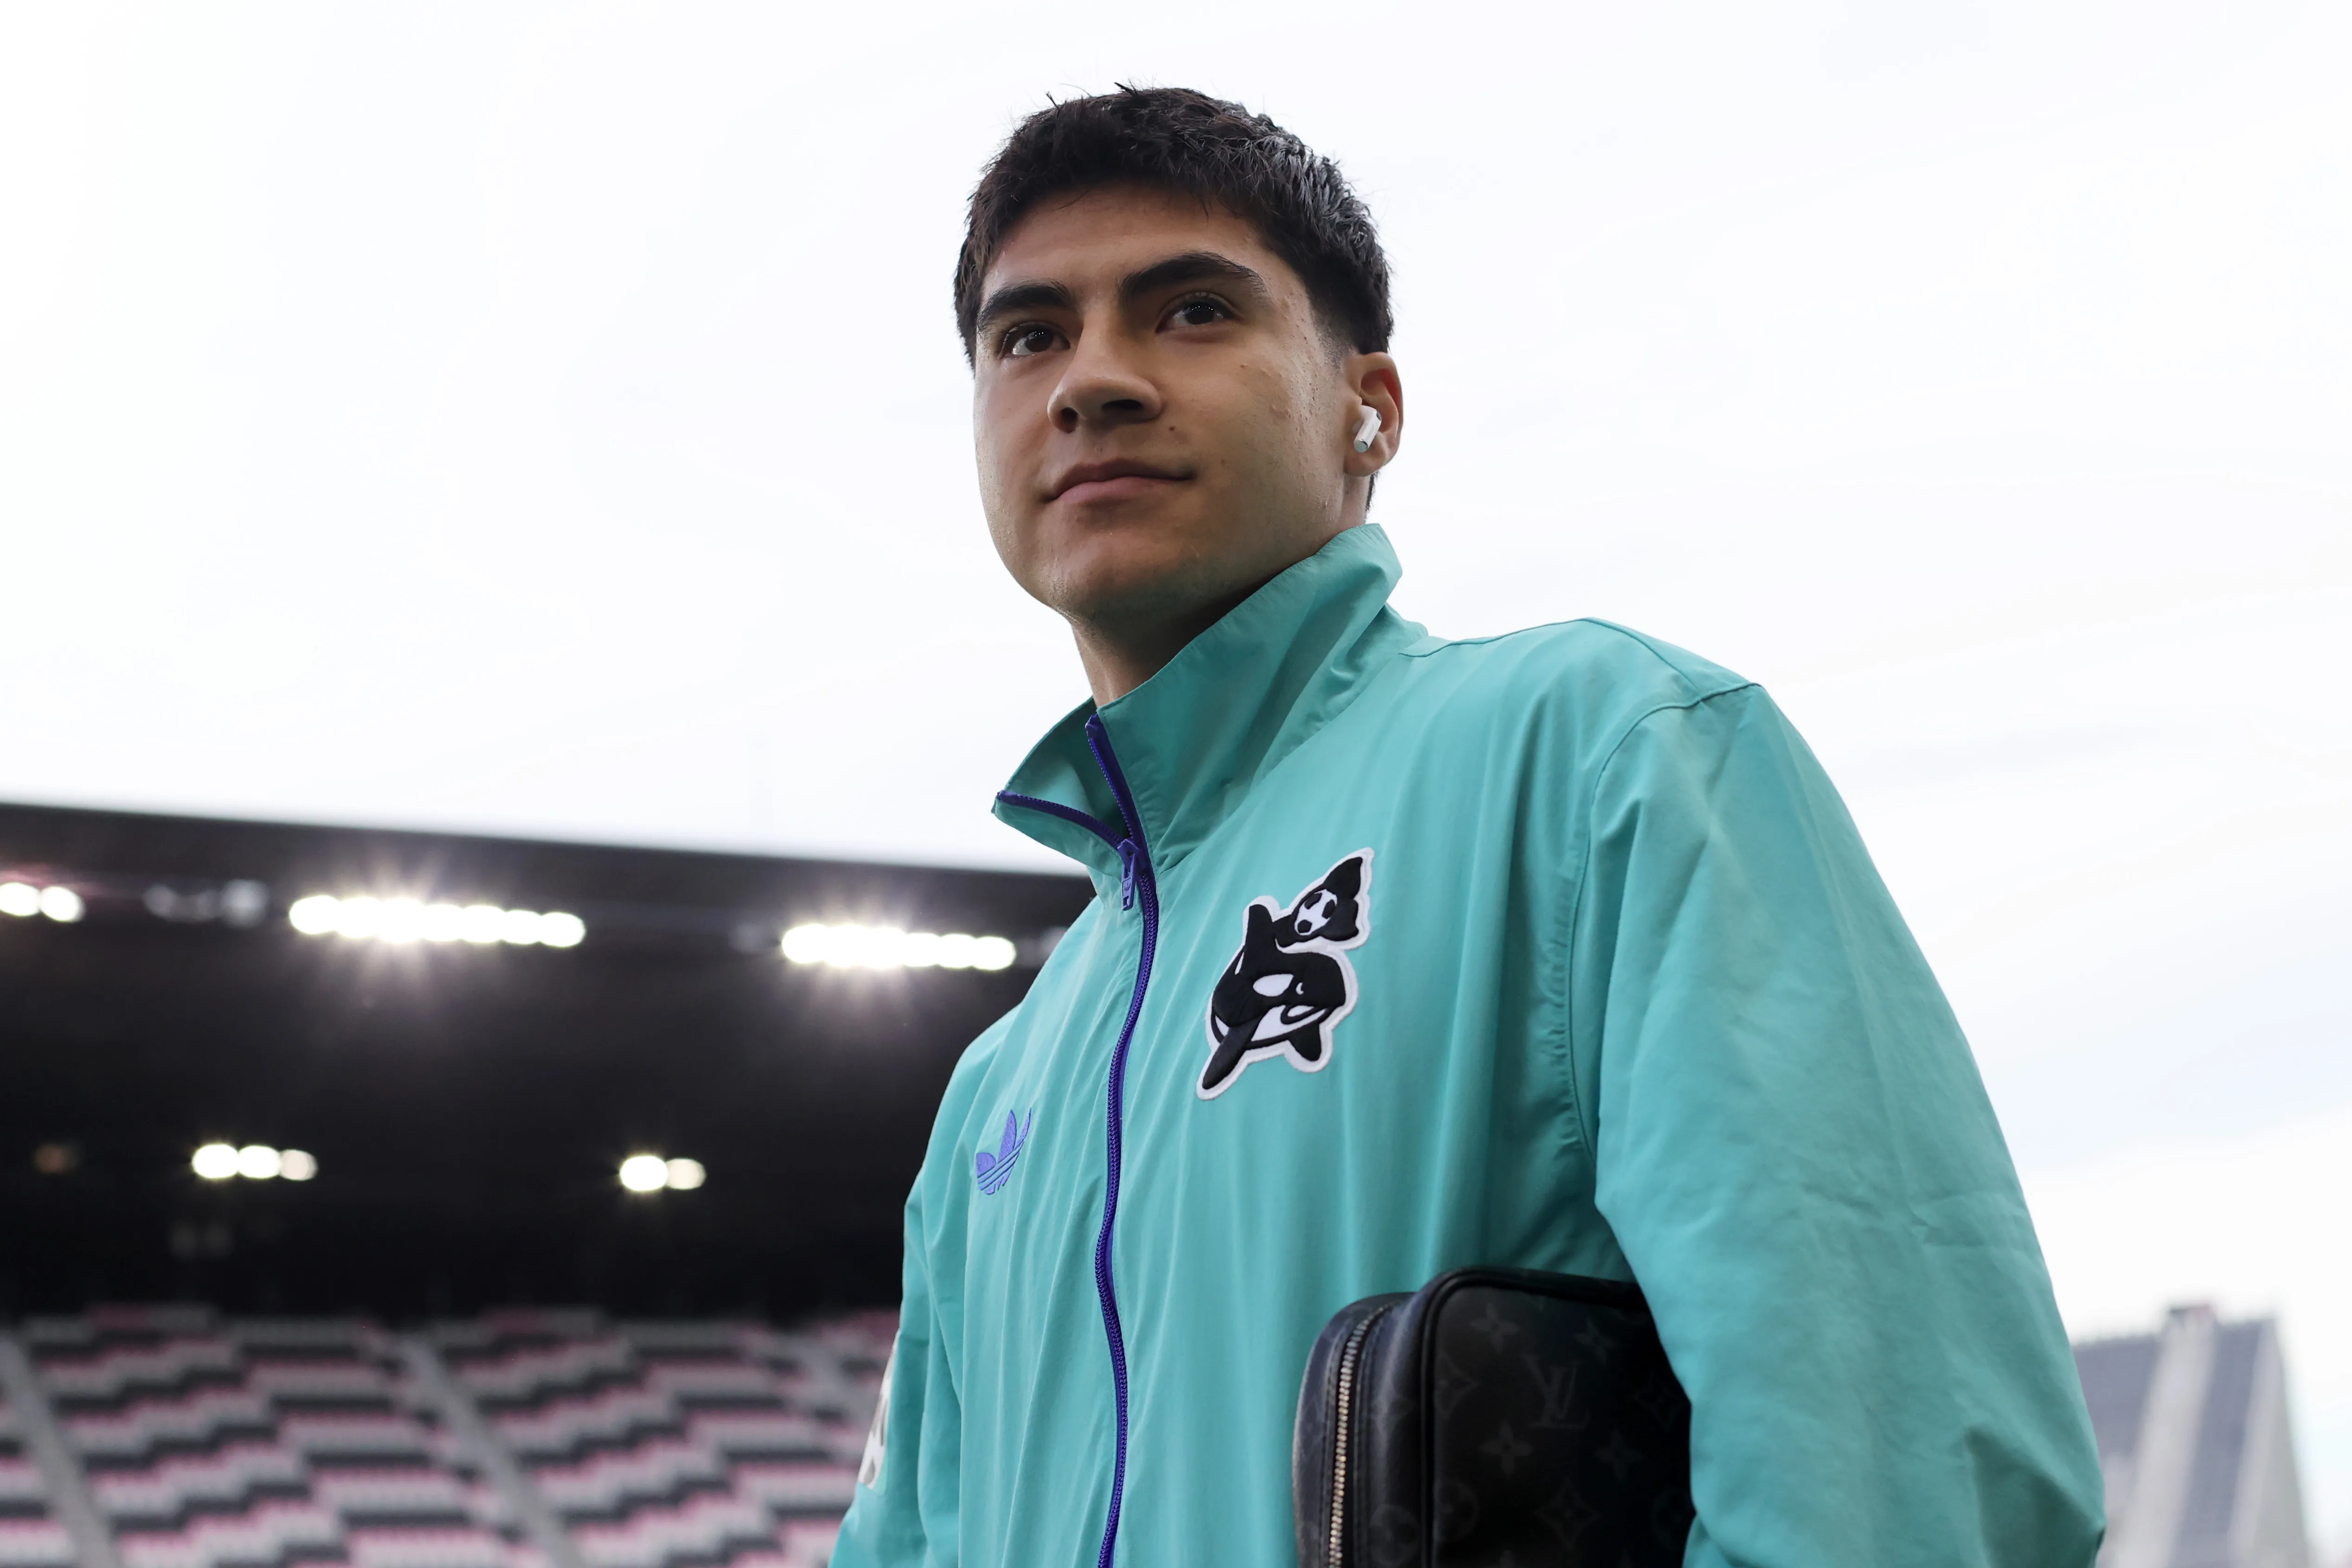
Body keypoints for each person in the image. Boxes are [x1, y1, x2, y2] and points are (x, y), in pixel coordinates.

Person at [832, 86, 2103, 1568]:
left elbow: (1902, 1476)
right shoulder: (1000, 1086)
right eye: (1027, 334)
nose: (1091, 379)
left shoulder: (1603, 752)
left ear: (1368, 406)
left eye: (1189, 311)